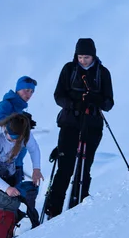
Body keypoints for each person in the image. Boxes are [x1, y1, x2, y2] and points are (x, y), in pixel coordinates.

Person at [42, 38, 114, 219]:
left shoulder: (102, 73)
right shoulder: (69, 69)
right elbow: (58, 96)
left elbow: (109, 103)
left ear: (94, 56)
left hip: (93, 125)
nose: (83, 61)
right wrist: (74, 105)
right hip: (70, 123)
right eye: (80, 57)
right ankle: (54, 208)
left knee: (84, 166)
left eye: (87, 57)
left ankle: (79, 204)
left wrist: (97, 102)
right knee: (65, 166)